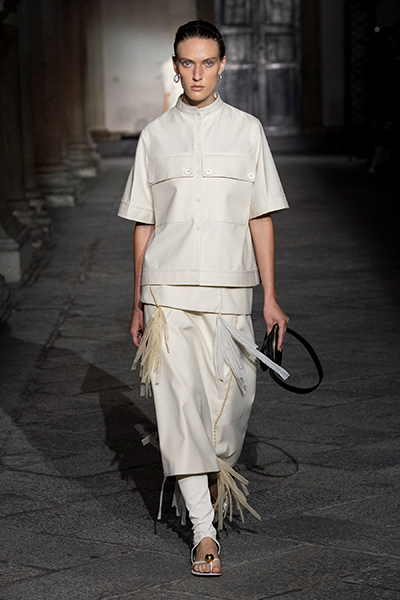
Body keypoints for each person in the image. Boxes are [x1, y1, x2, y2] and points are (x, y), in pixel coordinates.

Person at [118, 20, 289, 577]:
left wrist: (271, 297)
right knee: (178, 407)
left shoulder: (247, 130)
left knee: (231, 410)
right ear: (175, 66)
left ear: (222, 65)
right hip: (167, 291)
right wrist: (137, 301)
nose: (197, 74)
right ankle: (203, 529)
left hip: (231, 289)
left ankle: (208, 477)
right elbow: (144, 224)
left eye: (207, 63)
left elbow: (260, 216)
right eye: (187, 63)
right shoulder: (154, 136)